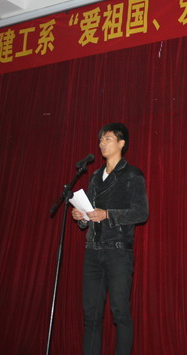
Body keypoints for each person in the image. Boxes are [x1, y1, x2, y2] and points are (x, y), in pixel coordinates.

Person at [72, 123, 149, 355]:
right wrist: (81, 217)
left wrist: (108, 214)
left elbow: (141, 213)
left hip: (117, 252)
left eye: (107, 139)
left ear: (121, 143)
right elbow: (90, 213)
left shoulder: (132, 174)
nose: (102, 144)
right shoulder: (95, 176)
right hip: (93, 251)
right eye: (100, 140)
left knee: (120, 313)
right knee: (91, 315)